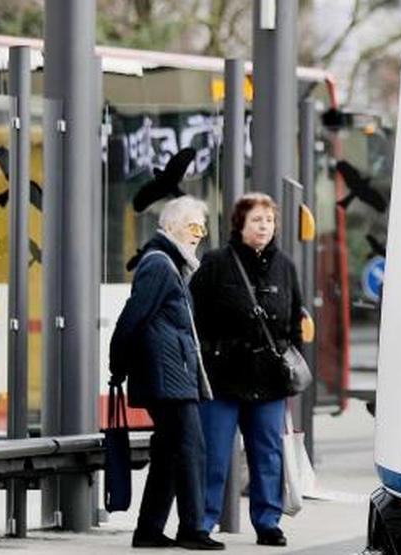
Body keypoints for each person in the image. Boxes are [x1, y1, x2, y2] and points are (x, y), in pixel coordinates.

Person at [109, 196, 224, 550]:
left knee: (169, 453)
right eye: (193, 226)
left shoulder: (171, 264)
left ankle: (148, 530)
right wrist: (117, 364)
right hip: (166, 376)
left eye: (203, 227)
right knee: (191, 449)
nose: (199, 234)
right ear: (171, 225)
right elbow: (133, 316)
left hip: (172, 373)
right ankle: (192, 529)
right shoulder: (159, 264)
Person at [191, 193, 305, 547]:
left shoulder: (285, 266)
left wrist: (290, 360)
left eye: (269, 220)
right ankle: (202, 522)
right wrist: (208, 356)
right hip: (222, 377)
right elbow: (193, 317)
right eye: (256, 220)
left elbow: (295, 322)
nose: (264, 227)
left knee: (268, 454)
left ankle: (268, 522)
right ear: (240, 224)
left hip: (269, 379)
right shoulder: (215, 263)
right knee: (213, 454)